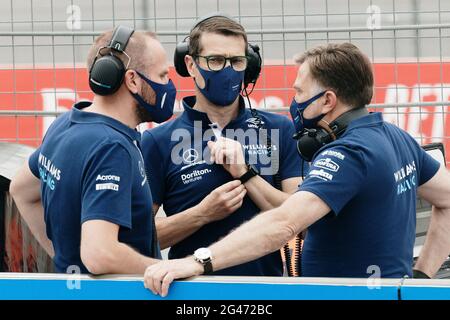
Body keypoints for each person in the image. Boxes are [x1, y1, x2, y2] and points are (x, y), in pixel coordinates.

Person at [144, 42, 450, 297]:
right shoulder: (396, 136)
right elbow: (447, 200)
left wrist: (199, 262)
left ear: (328, 100)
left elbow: (285, 223)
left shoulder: (347, 154)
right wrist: (421, 278)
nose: (295, 102)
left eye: (300, 93)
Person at [141, 14, 305, 276]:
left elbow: (301, 220)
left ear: (248, 66)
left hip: (264, 294)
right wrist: (201, 214)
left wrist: (246, 173)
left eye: (237, 61)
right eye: (215, 60)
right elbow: (140, 238)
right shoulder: (158, 141)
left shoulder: (278, 129)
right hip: (192, 294)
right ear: (191, 65)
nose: (227, 70)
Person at [9, 26, 177, 274]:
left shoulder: (66, 122)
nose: (169, 85)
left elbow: (21, 189)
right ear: (132, 80)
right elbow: (100, 254)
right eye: (162, 75)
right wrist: (171, 269)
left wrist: (66, 262)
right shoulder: (112, 148)